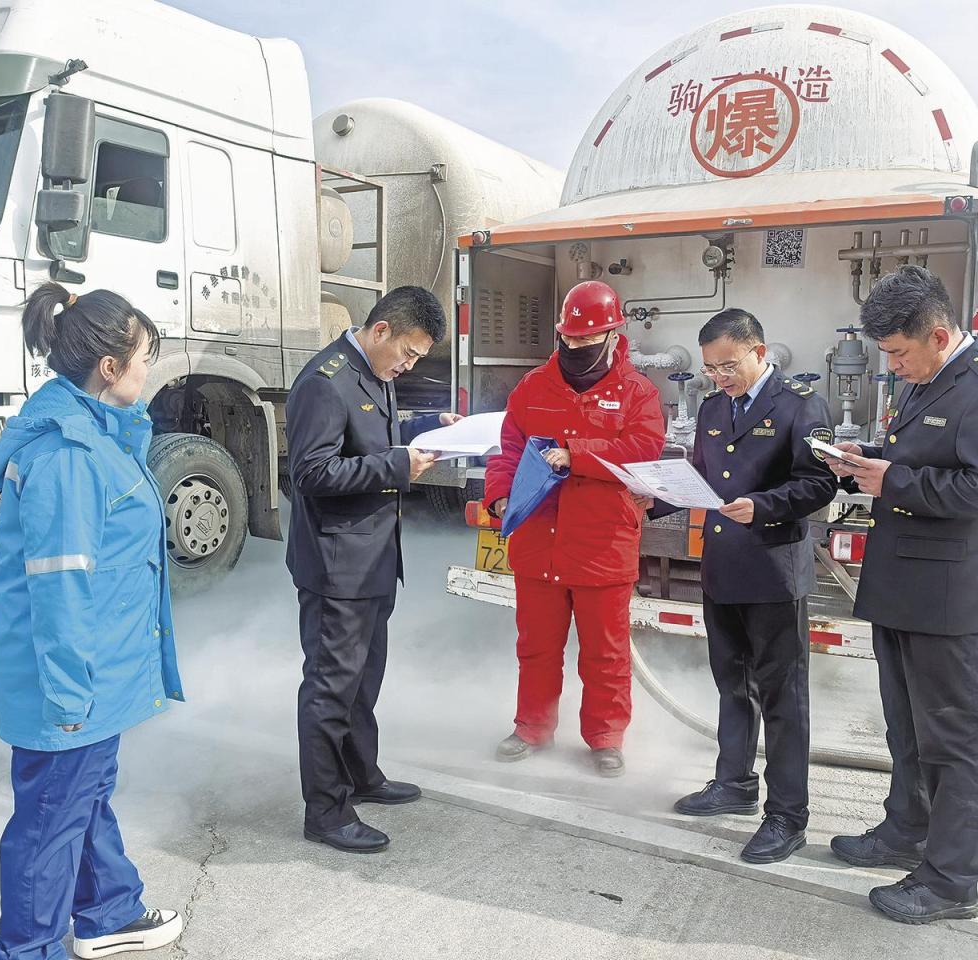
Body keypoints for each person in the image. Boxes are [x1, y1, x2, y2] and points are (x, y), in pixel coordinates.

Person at [825, 265, 978, 923]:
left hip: (952, 601)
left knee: (955, 741)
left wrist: (893, 481)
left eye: (897, 352)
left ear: (939, 335)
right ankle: (907, 830)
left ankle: (951, 881)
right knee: (908, 730)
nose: (891, 365)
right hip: (905, 592)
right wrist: (861, 460)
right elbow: (920, 459)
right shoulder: (928, 379)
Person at [0, 283, 184, 960]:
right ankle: (30, 949)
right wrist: (70, 698)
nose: (148, 370)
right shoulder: (70, 452)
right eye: (144, 358)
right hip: (74, 679)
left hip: (96, 669)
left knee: (82, 796)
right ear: (109, 366)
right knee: (50, 823)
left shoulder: (94, 434)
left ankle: (107, 912)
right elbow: (59, 582)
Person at [655, 309, 836, 863]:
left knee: (783, 697)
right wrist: (652, 496)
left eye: (728, 366)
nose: (718, 377)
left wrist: (762, 505)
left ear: (760, 352)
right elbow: (703, 478)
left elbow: (819, 484)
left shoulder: (801, 405)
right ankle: (733, 783)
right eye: (710, 369)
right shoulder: (714, 409)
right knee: (732, 686)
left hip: (773, 572)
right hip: (723, 568)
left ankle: (787, 815)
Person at [285, 285, 458, 853]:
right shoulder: (324, 381)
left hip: (373, 560)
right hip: (338, 566)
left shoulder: (372, 371)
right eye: (407, 353)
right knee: (331, 689)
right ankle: (326, 811)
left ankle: (361, 774)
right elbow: (311, 473)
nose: (408, 366)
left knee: (363, 680)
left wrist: (430, 424)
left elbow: (370, 435)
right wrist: (397, 465)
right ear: (380, 330)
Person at [484, 280, 664, 777]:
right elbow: (507, 449)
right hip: (538, 542)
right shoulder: (532, 387)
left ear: (613, 336)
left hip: (602, 545)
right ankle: (532, 727)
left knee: (605, 653)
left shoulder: (637, 393)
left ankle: (605, 737)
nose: (576, 346)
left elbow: (642, 451)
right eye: (569, 338)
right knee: (536, 647)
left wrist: (576, 454)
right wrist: (499, 495)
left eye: (587, 339)